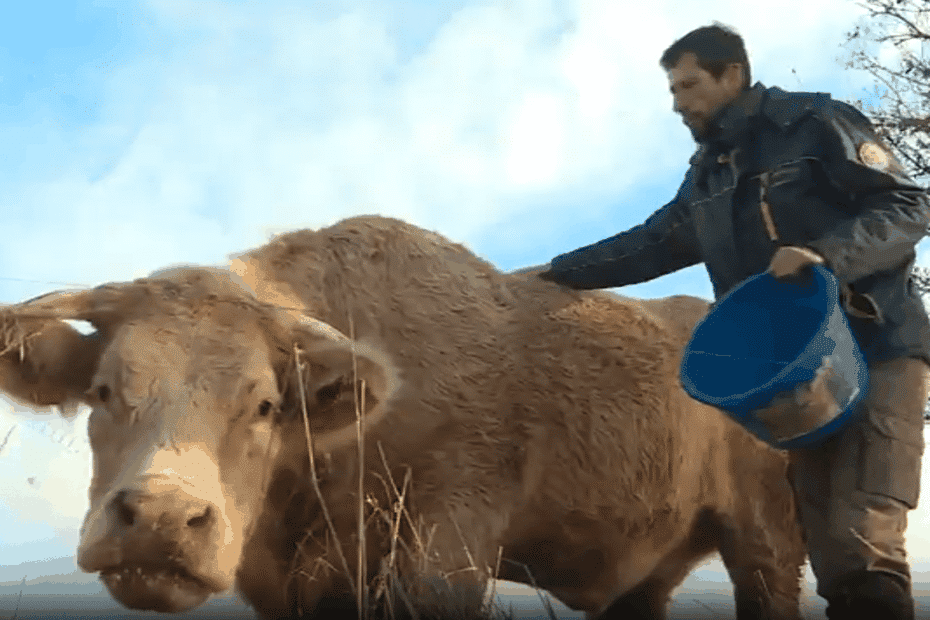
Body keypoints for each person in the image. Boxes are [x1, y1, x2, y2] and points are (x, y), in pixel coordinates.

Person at [536, 23, 930, 620]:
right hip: (792, 374)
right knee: (830, 556)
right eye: (671, 90)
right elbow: (648, 244)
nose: (676, 103)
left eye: (688, 85)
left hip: (876, 345)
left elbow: (908, 203)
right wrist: (549, 273)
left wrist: (827, 254)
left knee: (863, 544)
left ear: (732, 75)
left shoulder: (817, 123)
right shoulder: (709, 176)